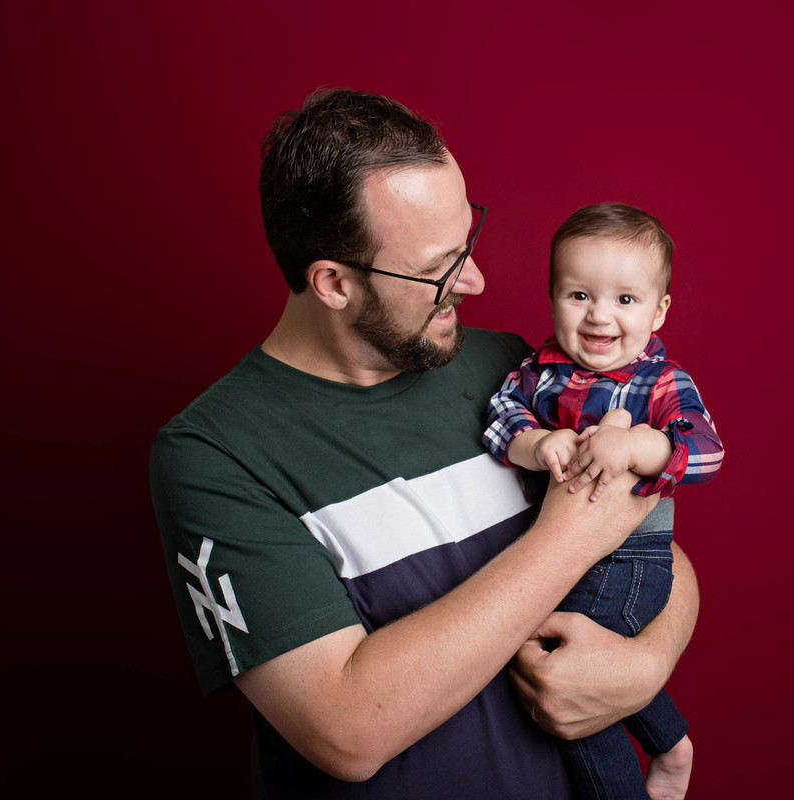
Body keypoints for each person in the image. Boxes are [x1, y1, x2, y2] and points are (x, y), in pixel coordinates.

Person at [150, 88, 699, 799]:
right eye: (440, 263)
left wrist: (646, 666)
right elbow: (346, 731)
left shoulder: (517, 369)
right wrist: (565, 539)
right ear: (334, 283)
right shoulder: (215, 453)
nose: (473, 279)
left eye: (468, 238)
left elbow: (652, 552)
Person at [484, 202, 723, 800]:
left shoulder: (661, 382)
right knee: (581, 670)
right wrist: (538, 443)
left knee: (561, 682)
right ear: (552, 296)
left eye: (625, 300)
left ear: (659, 309)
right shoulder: (536, 374)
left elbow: (708, 451)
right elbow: (500, 420)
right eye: (579, 295)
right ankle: (671, 741)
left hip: (631, 561)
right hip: (559, 554)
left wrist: (639, 445)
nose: (600, 317)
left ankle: (644, 775)